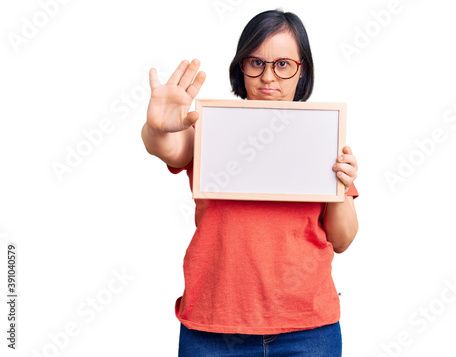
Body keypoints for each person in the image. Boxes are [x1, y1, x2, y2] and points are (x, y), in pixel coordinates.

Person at [142, 9, 359, 357]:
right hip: (213, 327)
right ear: (240, 67)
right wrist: (157, 128)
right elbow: (170, 147)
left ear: (302, 70)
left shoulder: (323, 134)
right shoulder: (212, 129)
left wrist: (340, 188)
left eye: (283, 64)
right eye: (255, 62)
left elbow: (343, 239)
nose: (268, 76)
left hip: (307, 330)